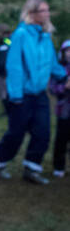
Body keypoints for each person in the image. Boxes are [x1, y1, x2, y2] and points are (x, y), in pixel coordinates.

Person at [0, 0, 67, 184]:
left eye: (48, 10)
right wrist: (15, 95)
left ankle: (32, 168)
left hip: (39, 94)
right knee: (16, 133)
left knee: (43, 133)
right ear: (32, 13)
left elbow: (52, 63)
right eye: (43, 11)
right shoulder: (20, 34)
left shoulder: (46, 36)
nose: (47, 14)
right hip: (21, 94)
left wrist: (63, 76)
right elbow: (14, 66)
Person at [50, 40, 70, 178]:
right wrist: (64, 87)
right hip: (64, 110)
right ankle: (58, 166)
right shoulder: (59, 68)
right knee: (61, 139)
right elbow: (52, 88)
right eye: (67, 50)